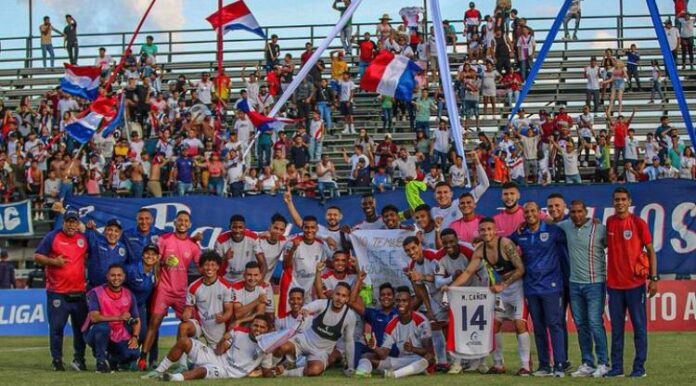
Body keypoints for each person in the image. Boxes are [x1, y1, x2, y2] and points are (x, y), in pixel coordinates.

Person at [604, 187, 658, 378]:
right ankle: (617, 368)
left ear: (629, 202)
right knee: (616, 330)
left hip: (635, 286)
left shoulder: (638, 223)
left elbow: (651, 251)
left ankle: (639, 369)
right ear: (613, 202)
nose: (619, 203)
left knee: (639, 328)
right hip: (614, 286)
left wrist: (653, 278)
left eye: (623, 199)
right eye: (616, 200)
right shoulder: (609, 222)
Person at [466, 218, 530, 375]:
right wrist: (452, 287)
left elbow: (521, 269)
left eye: (489, 229)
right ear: (479, 232)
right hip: (502, 288)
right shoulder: (480, 250)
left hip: (517, 287)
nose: (486, 232)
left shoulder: (506, 244)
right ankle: (498, 364)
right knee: (494, 325)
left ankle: (526, 366)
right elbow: (468, 272)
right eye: (483, 230)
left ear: (495, 230)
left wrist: (504, 285)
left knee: (519, 325)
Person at [510, 202, 567, 377]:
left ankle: (559, 364)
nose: (529, 214)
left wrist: (591, 221)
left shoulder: (552, 230)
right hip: (531, 288)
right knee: (539, 327)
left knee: (555, 324)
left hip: (551, 286)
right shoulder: (521, 234)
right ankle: (544, 366)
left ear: (539, 213)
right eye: (526, 212)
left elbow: (572, 233)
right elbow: (505, 243)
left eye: (533, 211)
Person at [139, 211, 201, 368]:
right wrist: (157, 278)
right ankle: (142, 358)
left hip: (181, 292)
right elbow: (154, 260)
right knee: (154, 322)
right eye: (180, 220)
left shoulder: (193, 246)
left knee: (188, 325)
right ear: (174, 222)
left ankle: (187, 360)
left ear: (190, 224)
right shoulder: (164, 240)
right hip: (164, 290)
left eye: (186, 221)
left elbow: (202, 266)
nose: (182, 223)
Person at [556, 200, 610, 377]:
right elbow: (549, 222)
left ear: (586, 212)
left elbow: (613, 245)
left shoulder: (599, 229)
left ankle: (603, 363)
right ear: (569, 213)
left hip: (595, 282)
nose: (577, 215)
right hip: (574, 283)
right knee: (581, 324)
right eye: (573, 212)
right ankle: (587, 362)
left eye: (580, 212)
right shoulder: (567, 226)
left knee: (595, 322)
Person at [34, 208, 89, 371]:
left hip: (79, 292)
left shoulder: (83, 239)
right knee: (57, 328)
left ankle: (79, 359)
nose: (71, 225)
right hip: (57, 292)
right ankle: (57, 360)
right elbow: (37, 256)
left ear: (78, 224)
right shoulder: (53, 236)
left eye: (75, 222)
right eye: (69, 221)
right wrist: (54, 262)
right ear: (63, 222)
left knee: (81, 329)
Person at [153, 315, 274, 381]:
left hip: (229, 372)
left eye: (262, 327)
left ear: (267, 329)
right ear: (250, 325)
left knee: (203, 370)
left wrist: (277, 371)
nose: (257, 329)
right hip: (217, 357)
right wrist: (224, 339)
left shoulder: (267, 348)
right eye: (255, 325)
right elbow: (218, 351)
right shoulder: (238, 332)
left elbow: (266, 372)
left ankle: (174, 378)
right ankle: (158, 371)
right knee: (184, 341)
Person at [273, 283, 358, 377]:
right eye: (337, 294)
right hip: (305, 340)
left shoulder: (350, 316)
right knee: (281, 347)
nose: (339, 298)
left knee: (315, 370)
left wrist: (351, 367)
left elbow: (349, 342)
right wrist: (305, 310)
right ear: (333, 294)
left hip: (321, 352)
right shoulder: (323, 304)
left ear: (347, 299)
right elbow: (308, 307)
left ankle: (284, 373)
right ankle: (269, 369)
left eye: (343, 296)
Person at [435, 229, 487, 373]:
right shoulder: (440, 257)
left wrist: (482, 293)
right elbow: (438, 281)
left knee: (478, 327)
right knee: (457, 327)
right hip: (458, 294)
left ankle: (481, 362)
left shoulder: (469, 251)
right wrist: (452, 278)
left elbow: (482, 273)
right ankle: (456, 363)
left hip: (477, 291)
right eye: (445, 243)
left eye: (451, 241)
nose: (448, 245)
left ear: (457, 239)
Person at [355, 286, 433, 379]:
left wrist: (413, 349)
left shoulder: (422, 321)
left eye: (404, 301)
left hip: (419, 358)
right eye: (399, 301)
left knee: (429, 357)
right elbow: (383, 355)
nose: (401, 304)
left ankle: (395, 374)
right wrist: (374, 347)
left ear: (411, 302)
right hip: (400, 360)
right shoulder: (391, 324)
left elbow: (428, 350)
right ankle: (362, 372)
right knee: (366, 357)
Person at [83, 264, 141, 373]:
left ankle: (111, 360)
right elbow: (94, 318)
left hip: (118, 333)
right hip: (95, 332)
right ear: (107, 276)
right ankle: (100, 363)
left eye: (119, 275)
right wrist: (119, 317)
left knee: (134, 353)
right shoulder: (96, 292)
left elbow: (136, 320)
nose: (116, 278)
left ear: (124, 277)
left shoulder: (129, 294)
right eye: (113, 275)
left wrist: (134, 337)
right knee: (103, 327)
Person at [126, 243, 159, 370]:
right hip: (125, 307)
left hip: (140, 307)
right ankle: (119, 359)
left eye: (153, 254)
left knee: (143, 332)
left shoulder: (154, 272)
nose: (150, 256)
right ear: (142, 255)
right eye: (147, 253)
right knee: (123, 333)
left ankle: (132, 359)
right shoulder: (131, 269)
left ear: (157, 258)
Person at [214, 214, 265, 282]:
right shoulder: (221, 240)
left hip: (245, 277)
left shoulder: (253, 238)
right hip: (225, 277)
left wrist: (260, 281)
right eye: (234, 227)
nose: (238, 230)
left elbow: (262, 263)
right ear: (230, 227)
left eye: (240, 227)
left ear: (244, 227)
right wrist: (224, 257)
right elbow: (215, 265)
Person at [231, 262, 275, 326]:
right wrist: (257, 301)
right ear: (244, 275)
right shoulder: (235, 288)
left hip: (255, 324)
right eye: (249, 275)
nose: (252, 278)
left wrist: (240, 321)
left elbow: (259, 314)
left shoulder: (264, 287)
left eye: (255, 275)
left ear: (260, 276)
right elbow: (238, 314)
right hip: (238, 325)